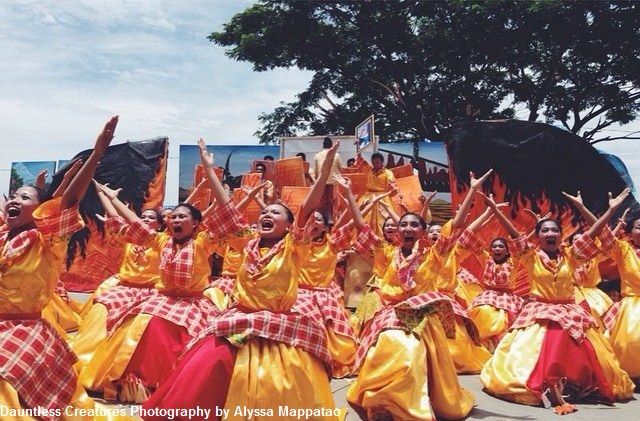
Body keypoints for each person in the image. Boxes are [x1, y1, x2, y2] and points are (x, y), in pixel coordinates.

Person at [142, 139, 344, 420]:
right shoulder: (246, 242)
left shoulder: (293, 246)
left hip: (279, 323)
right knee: (207, 365)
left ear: (289, 225)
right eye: (264, 212)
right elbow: (226, 206)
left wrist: (322, 176)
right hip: (239, 318)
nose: (267, 215)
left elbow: (308, 208)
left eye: (275, 213)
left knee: (278, 387)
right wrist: (210, 170)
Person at [0, 115, 119, 418]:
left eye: (24, 197)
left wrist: (97, 152)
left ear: (38, 210)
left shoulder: (47, 239)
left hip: (21, 328)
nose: (14, 199)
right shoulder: (2, 234)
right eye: (13, 195)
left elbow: (69, 201)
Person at [481, 189, 634, 413]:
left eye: (554, 230)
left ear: (560, 236)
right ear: (537, 236)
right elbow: (514, 234)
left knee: (587, 349)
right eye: (545, 230)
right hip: (539, 311)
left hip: (569, 310)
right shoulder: (530, 256)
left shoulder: (571, 256)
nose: (550, 233)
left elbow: (593, 234)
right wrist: (495, 211)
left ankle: (574, 384)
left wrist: (609, 211)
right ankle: (547, 384)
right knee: (534, 352)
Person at [82, 171, 225, 403]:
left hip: (193, 303)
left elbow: (227, 216)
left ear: (196, 223)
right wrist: (112, 198)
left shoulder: (204, 242)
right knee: (143, 322)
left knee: (197, 341)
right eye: (174, 217)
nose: (176, 221)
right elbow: (134, 221)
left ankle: (173, 388)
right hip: (163, 298)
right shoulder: (161, 241)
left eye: (183, 217)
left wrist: (210, 174)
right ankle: (133, 385)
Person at [347, 210, 475, 420]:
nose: (408, 228)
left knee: (411, 353)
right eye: (403, 224)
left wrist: (471, 192)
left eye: (414, 225)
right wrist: (352, 195)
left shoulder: (433, 255)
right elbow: (363, 229)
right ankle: (383, 400)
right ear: (398, 231)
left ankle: (403, 403)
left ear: (423, 231)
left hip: (423, 315)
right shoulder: (388, 253)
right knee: (391, 346)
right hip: (392, 313)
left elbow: (453, 227)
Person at [601, 214, 640, 381]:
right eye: (639, 227)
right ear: (630, 233)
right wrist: (611, 211)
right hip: (632, 306)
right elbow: (604, 237)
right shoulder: (623, 249)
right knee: (629, 342)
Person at [354, 152, 399, 236]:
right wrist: (359, 154)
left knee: (383, 219)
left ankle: (382, 238)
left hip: (382, 197)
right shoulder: (369, 170)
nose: (375, 164)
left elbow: (392, 184)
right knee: (364, 217)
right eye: (374, 163)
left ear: (382, 162)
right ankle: (365, 238)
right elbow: (361, 163)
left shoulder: (388, 173)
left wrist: (392, 187)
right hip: (368, 197)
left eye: (377, 162)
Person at [313, 136, 343, 222]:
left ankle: (321, 219)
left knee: (321, 202)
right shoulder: (336, 155)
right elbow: (341, 169)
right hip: (333, 182)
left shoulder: (317, 155)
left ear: (323, 145)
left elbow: (315, 170)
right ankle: (331, 219)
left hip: (321, 182)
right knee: (332, 202)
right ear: (331, 145)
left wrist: (317, 181)